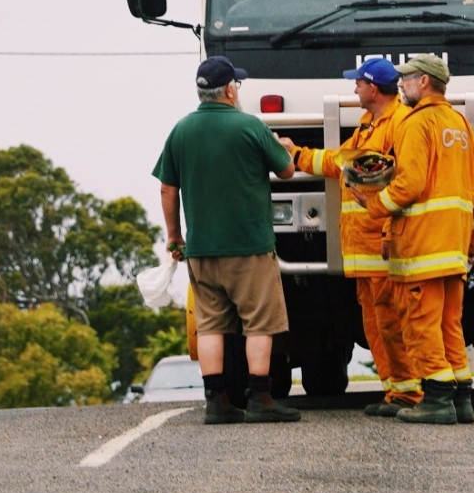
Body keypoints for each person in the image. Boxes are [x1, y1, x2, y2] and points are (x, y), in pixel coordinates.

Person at [154, 55, 302, 424]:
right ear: (231, 90)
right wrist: (280, 144)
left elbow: (167, 189)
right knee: (259, 323)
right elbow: (286, 170)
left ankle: (216, 402)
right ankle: (260, 399)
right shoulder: (249, 127)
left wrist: (176, 237)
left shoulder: (181, 130)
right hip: (249, 246)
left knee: (210, 324)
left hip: (201, 248)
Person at [350, 55, 474, 425]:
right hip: (455, 247)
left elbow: (407, 186)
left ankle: (438, 401)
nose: (402, 86)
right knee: (449, 326)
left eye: (406, 80)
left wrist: (373, 205)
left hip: (422, 248)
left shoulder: (415, 123)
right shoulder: (459, 124)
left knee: (422, 325)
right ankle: (462, 399)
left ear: (423, 82)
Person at [286, 58, 415, 417]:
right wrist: (296, 154)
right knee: (377, 324)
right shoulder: (369, 126)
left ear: (373, 88)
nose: (353, 89)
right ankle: (395, 391)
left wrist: (388, 232)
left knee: (392, 322)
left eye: (357, 83)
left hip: (382, 246)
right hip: (364, 251)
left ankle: (408, 392)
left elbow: (400, 185)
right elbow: (340, 162)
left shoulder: (399, 126)